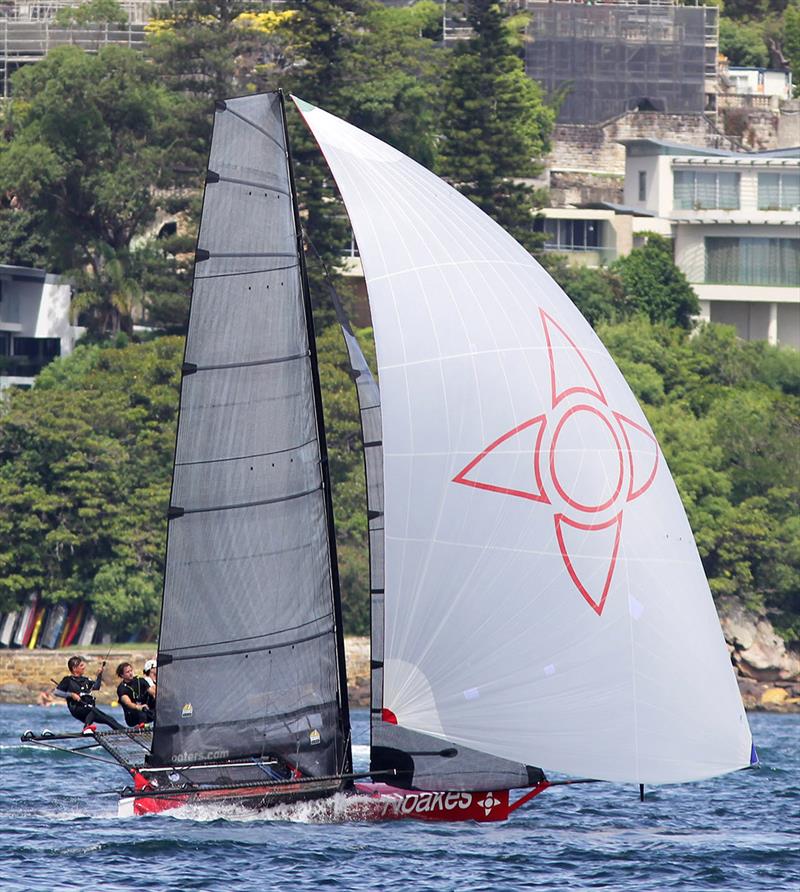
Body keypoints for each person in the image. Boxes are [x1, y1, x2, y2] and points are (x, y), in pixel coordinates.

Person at [54, 655, 124, 732]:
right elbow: (57, 692)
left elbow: (96, 687)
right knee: (92, 710)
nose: (84, 667)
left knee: (109, 719)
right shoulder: (68, 680)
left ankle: (125, 731)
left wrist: (99, 675)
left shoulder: (86, 680)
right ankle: (86, 727)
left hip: (89, 710)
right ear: (74, 668)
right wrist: (71, 695)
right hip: (77, 708)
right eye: (81, 665)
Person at [116, 662, 155, 727]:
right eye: (127, 672)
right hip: (132, 717)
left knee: (156, 704)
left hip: (146, 712)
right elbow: (128, 703)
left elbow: (152, 692)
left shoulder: (140, 680)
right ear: (122, 675)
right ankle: (142, 731)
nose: (131, 673)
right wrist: (139, 707)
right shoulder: (121, 688)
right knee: (141, 713)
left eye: (131, 671)